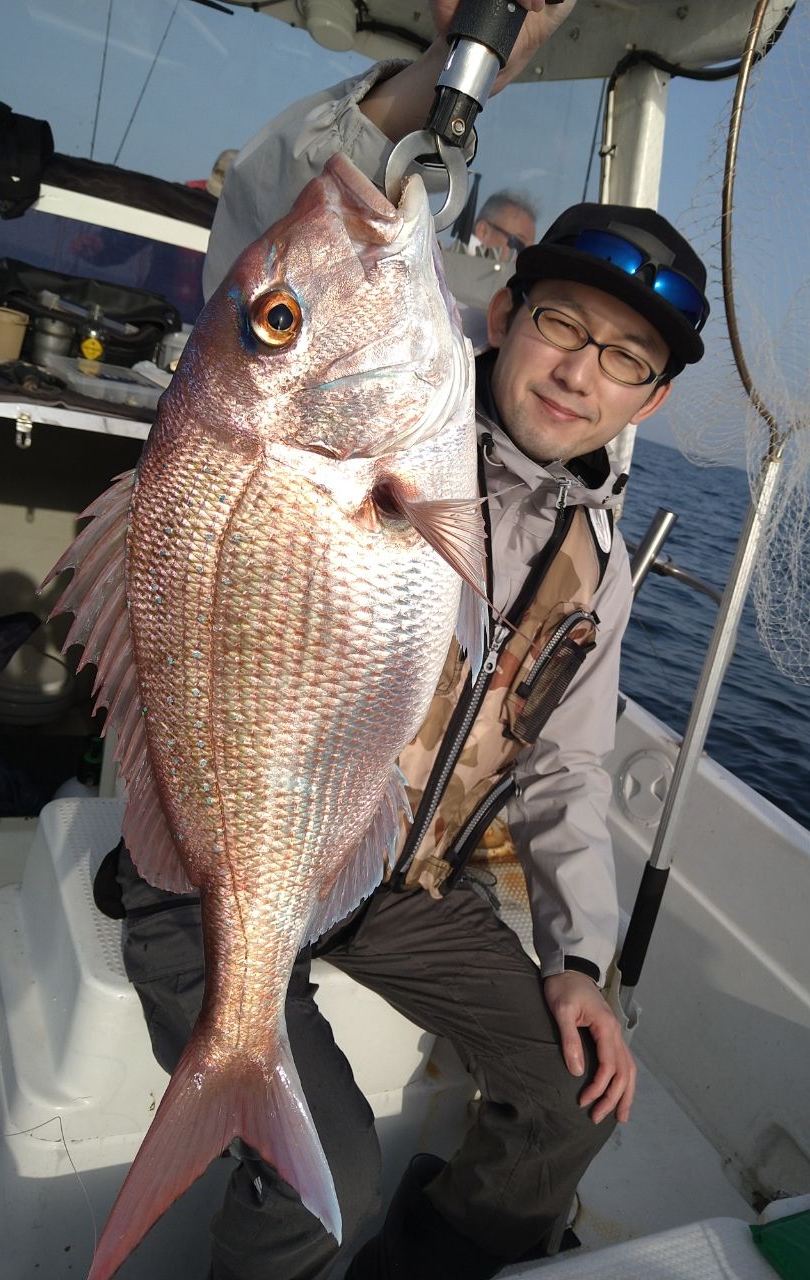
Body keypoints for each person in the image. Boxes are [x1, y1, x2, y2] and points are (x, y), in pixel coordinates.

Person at [115, 1, 709, 1277]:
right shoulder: (375, 401)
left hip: (394, 878)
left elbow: (564, 774)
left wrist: (583, 958)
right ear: (498, 314)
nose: (578, 369)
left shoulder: (593, 572)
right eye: (561, 322)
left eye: (625, 356)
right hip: (217, 871)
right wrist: (446, 77)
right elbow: (284, 204)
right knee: (317, 1177)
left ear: (649, 399)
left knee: (568, 1102)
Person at [466, 189, 538, 260]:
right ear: (483, 231)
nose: (527, 259)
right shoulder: (459, 266)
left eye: (531, 253)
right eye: (518, 244)